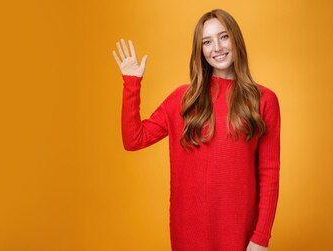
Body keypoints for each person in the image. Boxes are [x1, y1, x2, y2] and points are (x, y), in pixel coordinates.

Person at [112, 9, 280, 251]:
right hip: (188, 235)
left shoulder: (264, 100)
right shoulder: (183, 99)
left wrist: (261, 237)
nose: (217, 48)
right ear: (200, 51)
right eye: (207, 42)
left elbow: (269, 173)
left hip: (239, 233)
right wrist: (131, 82)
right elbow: (134, 139)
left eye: (223, 37)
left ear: (235, 39)